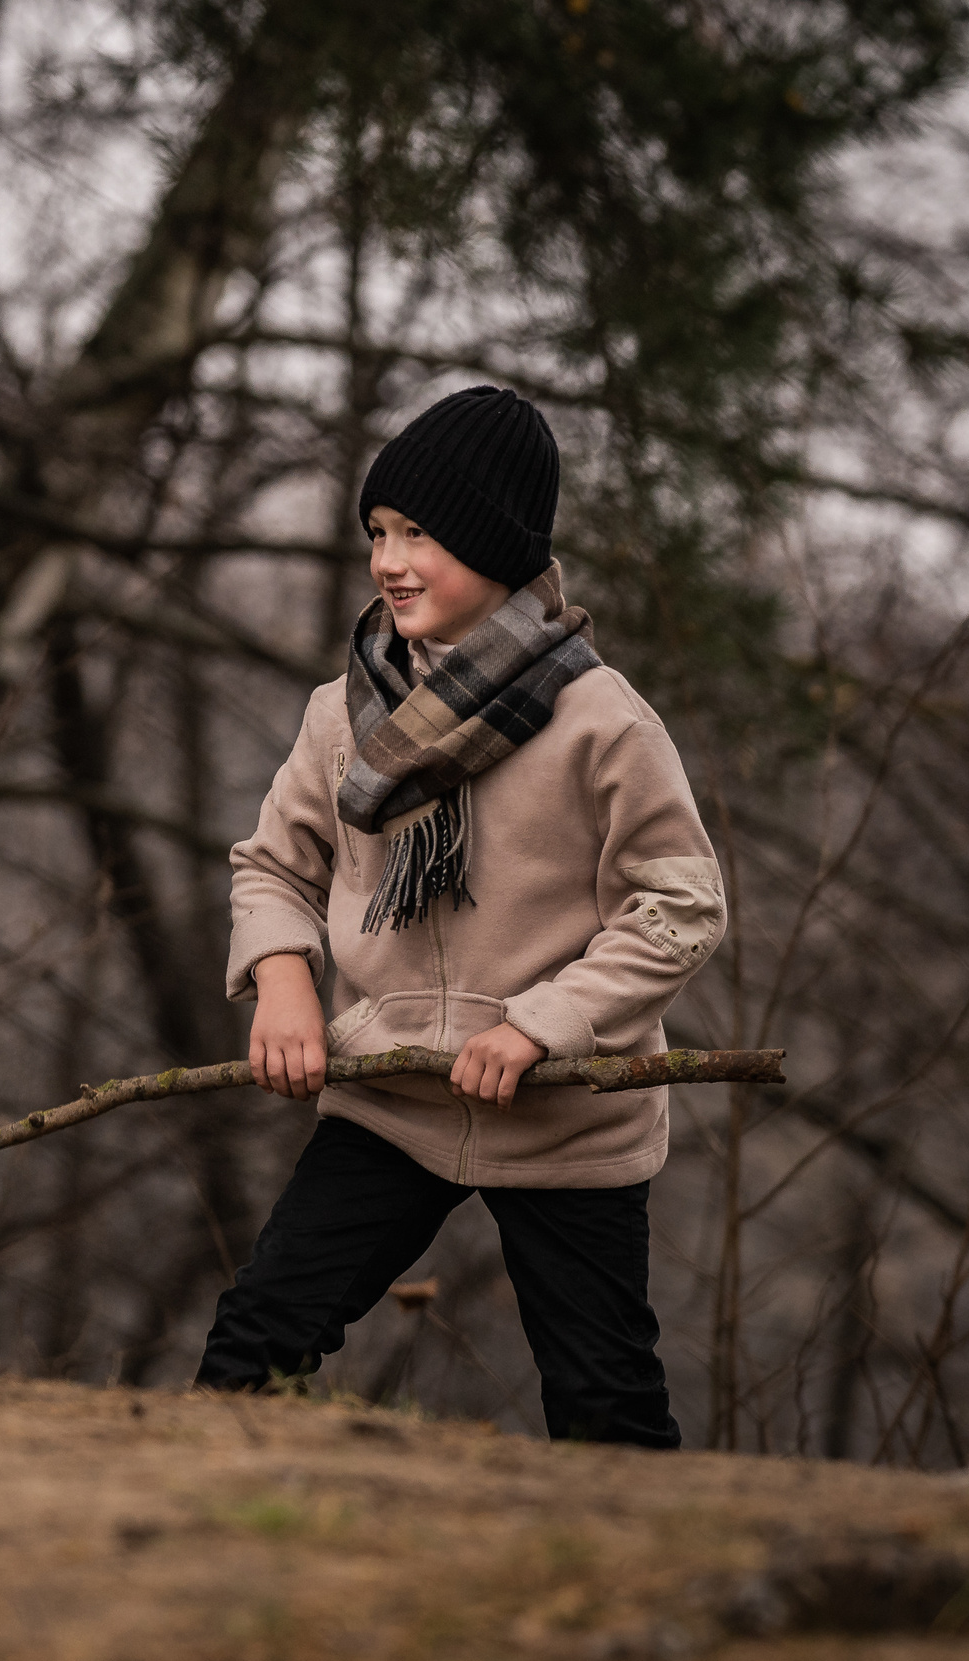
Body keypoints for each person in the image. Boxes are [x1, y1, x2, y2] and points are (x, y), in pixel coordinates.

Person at [196, 385, 721, 1449]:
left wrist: (546, 1021)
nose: (388, 560)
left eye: (420, 534)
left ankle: (639, 1584)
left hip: (566, 1115)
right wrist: (286, 986)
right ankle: (214, 1557)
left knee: (604, 1397)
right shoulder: (343, 713)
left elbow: (679, 902)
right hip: (391, 1095)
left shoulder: (597, 718)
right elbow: (271, 867)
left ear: (494, 544)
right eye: (377, 533)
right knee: (255, 1344)